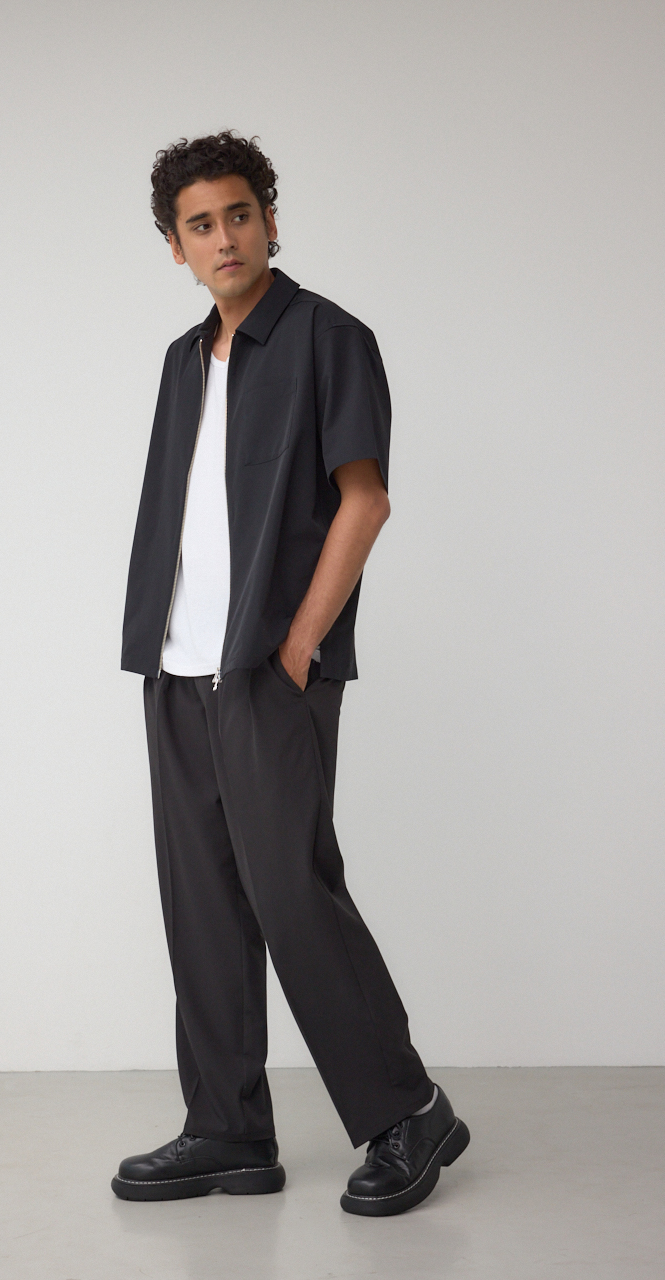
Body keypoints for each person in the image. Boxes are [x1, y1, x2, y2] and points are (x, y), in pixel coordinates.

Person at [114, 131, 469, 1216]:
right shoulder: (183, 361)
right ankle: (226, 1127)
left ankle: (407, 1109)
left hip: (268, 665)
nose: (223, 237)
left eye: (239, 214)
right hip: (177, 665)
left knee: (289, 891)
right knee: (201, 901)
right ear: (174, 246)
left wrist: (300, 641)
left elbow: (365, 498)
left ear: (270, 219)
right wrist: (167, 649)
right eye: (199, 224)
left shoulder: (329, 338)